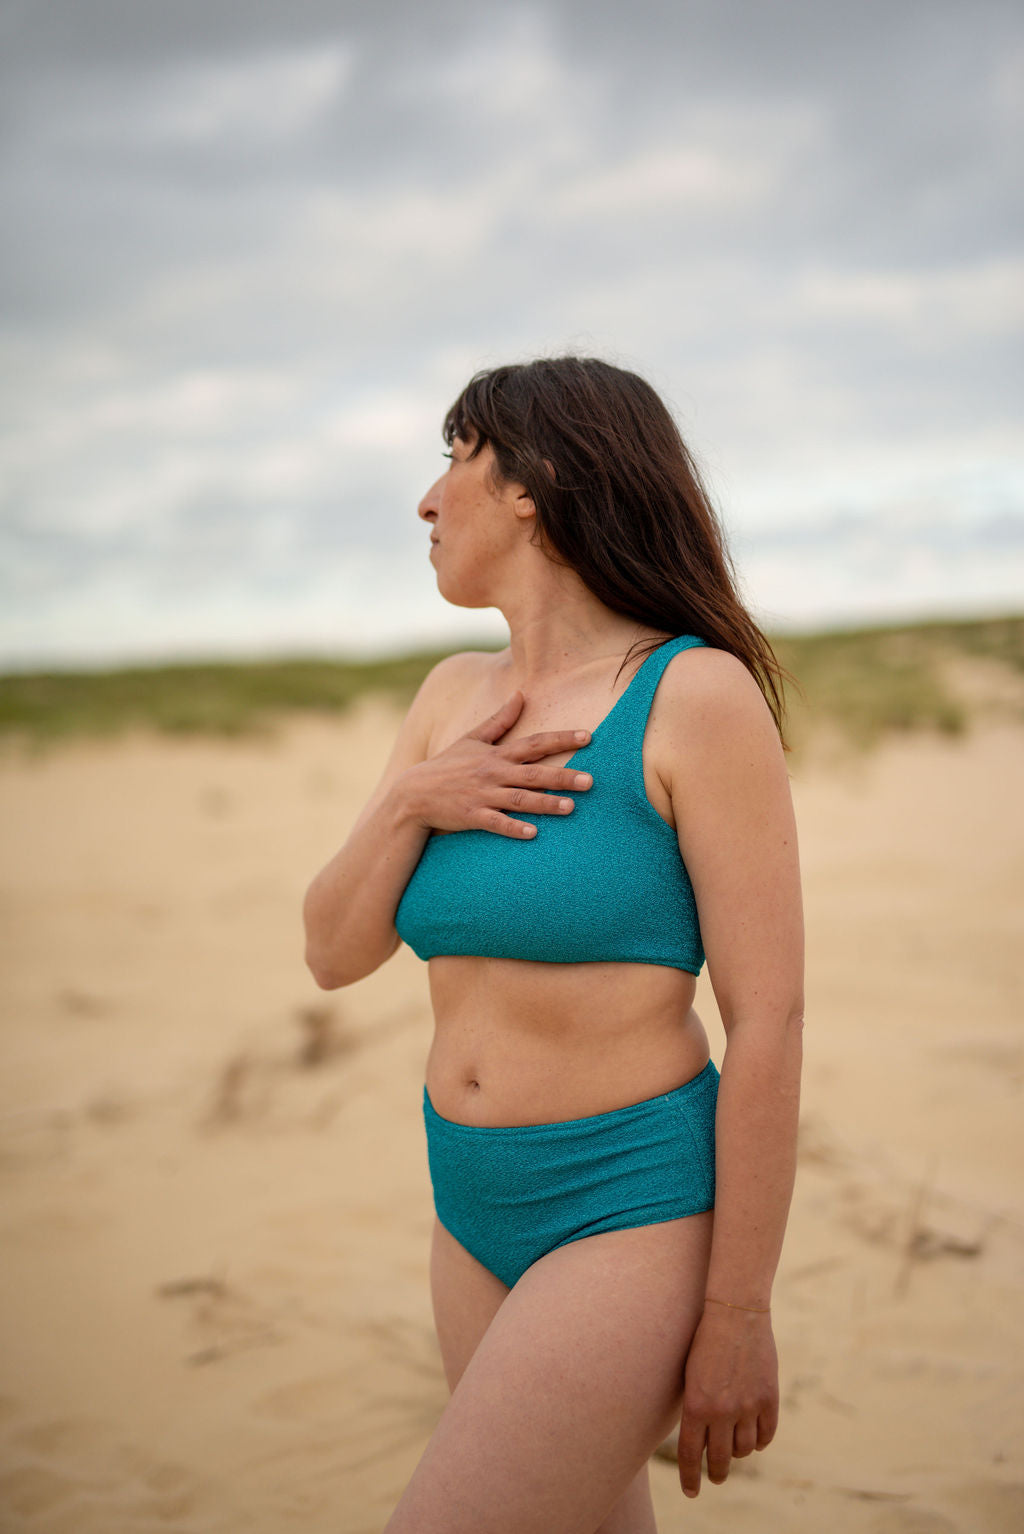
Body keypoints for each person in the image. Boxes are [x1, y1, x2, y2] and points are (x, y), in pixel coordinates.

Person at [303, 356, 804, 1534]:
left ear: (535, 484)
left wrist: (737, 1308)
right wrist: (409, 799)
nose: (426, 502)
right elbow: (332, 952)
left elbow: (769, 1018)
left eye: (454, 460)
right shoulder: (447, 696)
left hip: (628, 1202)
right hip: (468, 1201)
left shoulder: (693, 697)